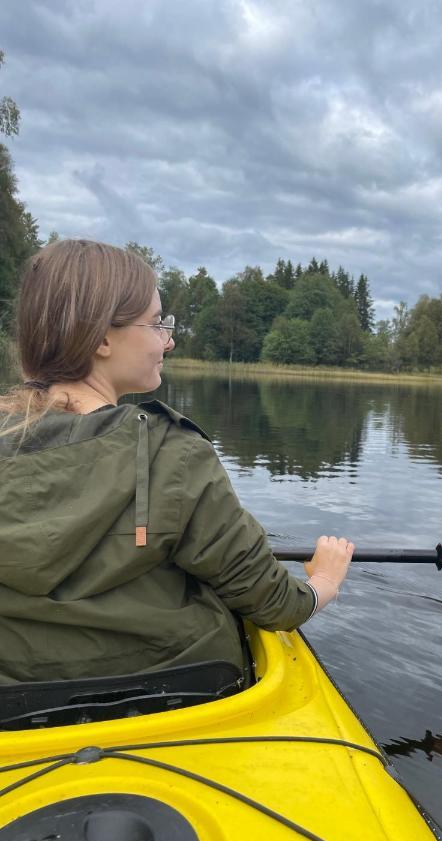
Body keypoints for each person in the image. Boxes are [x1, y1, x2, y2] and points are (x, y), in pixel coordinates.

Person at [0, 239, 354, 686]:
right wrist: (324, 580)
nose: (168, 341)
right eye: (156, 324)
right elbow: (278, 606)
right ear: (103, 338)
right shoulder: (175, 455)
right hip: (169, 693)